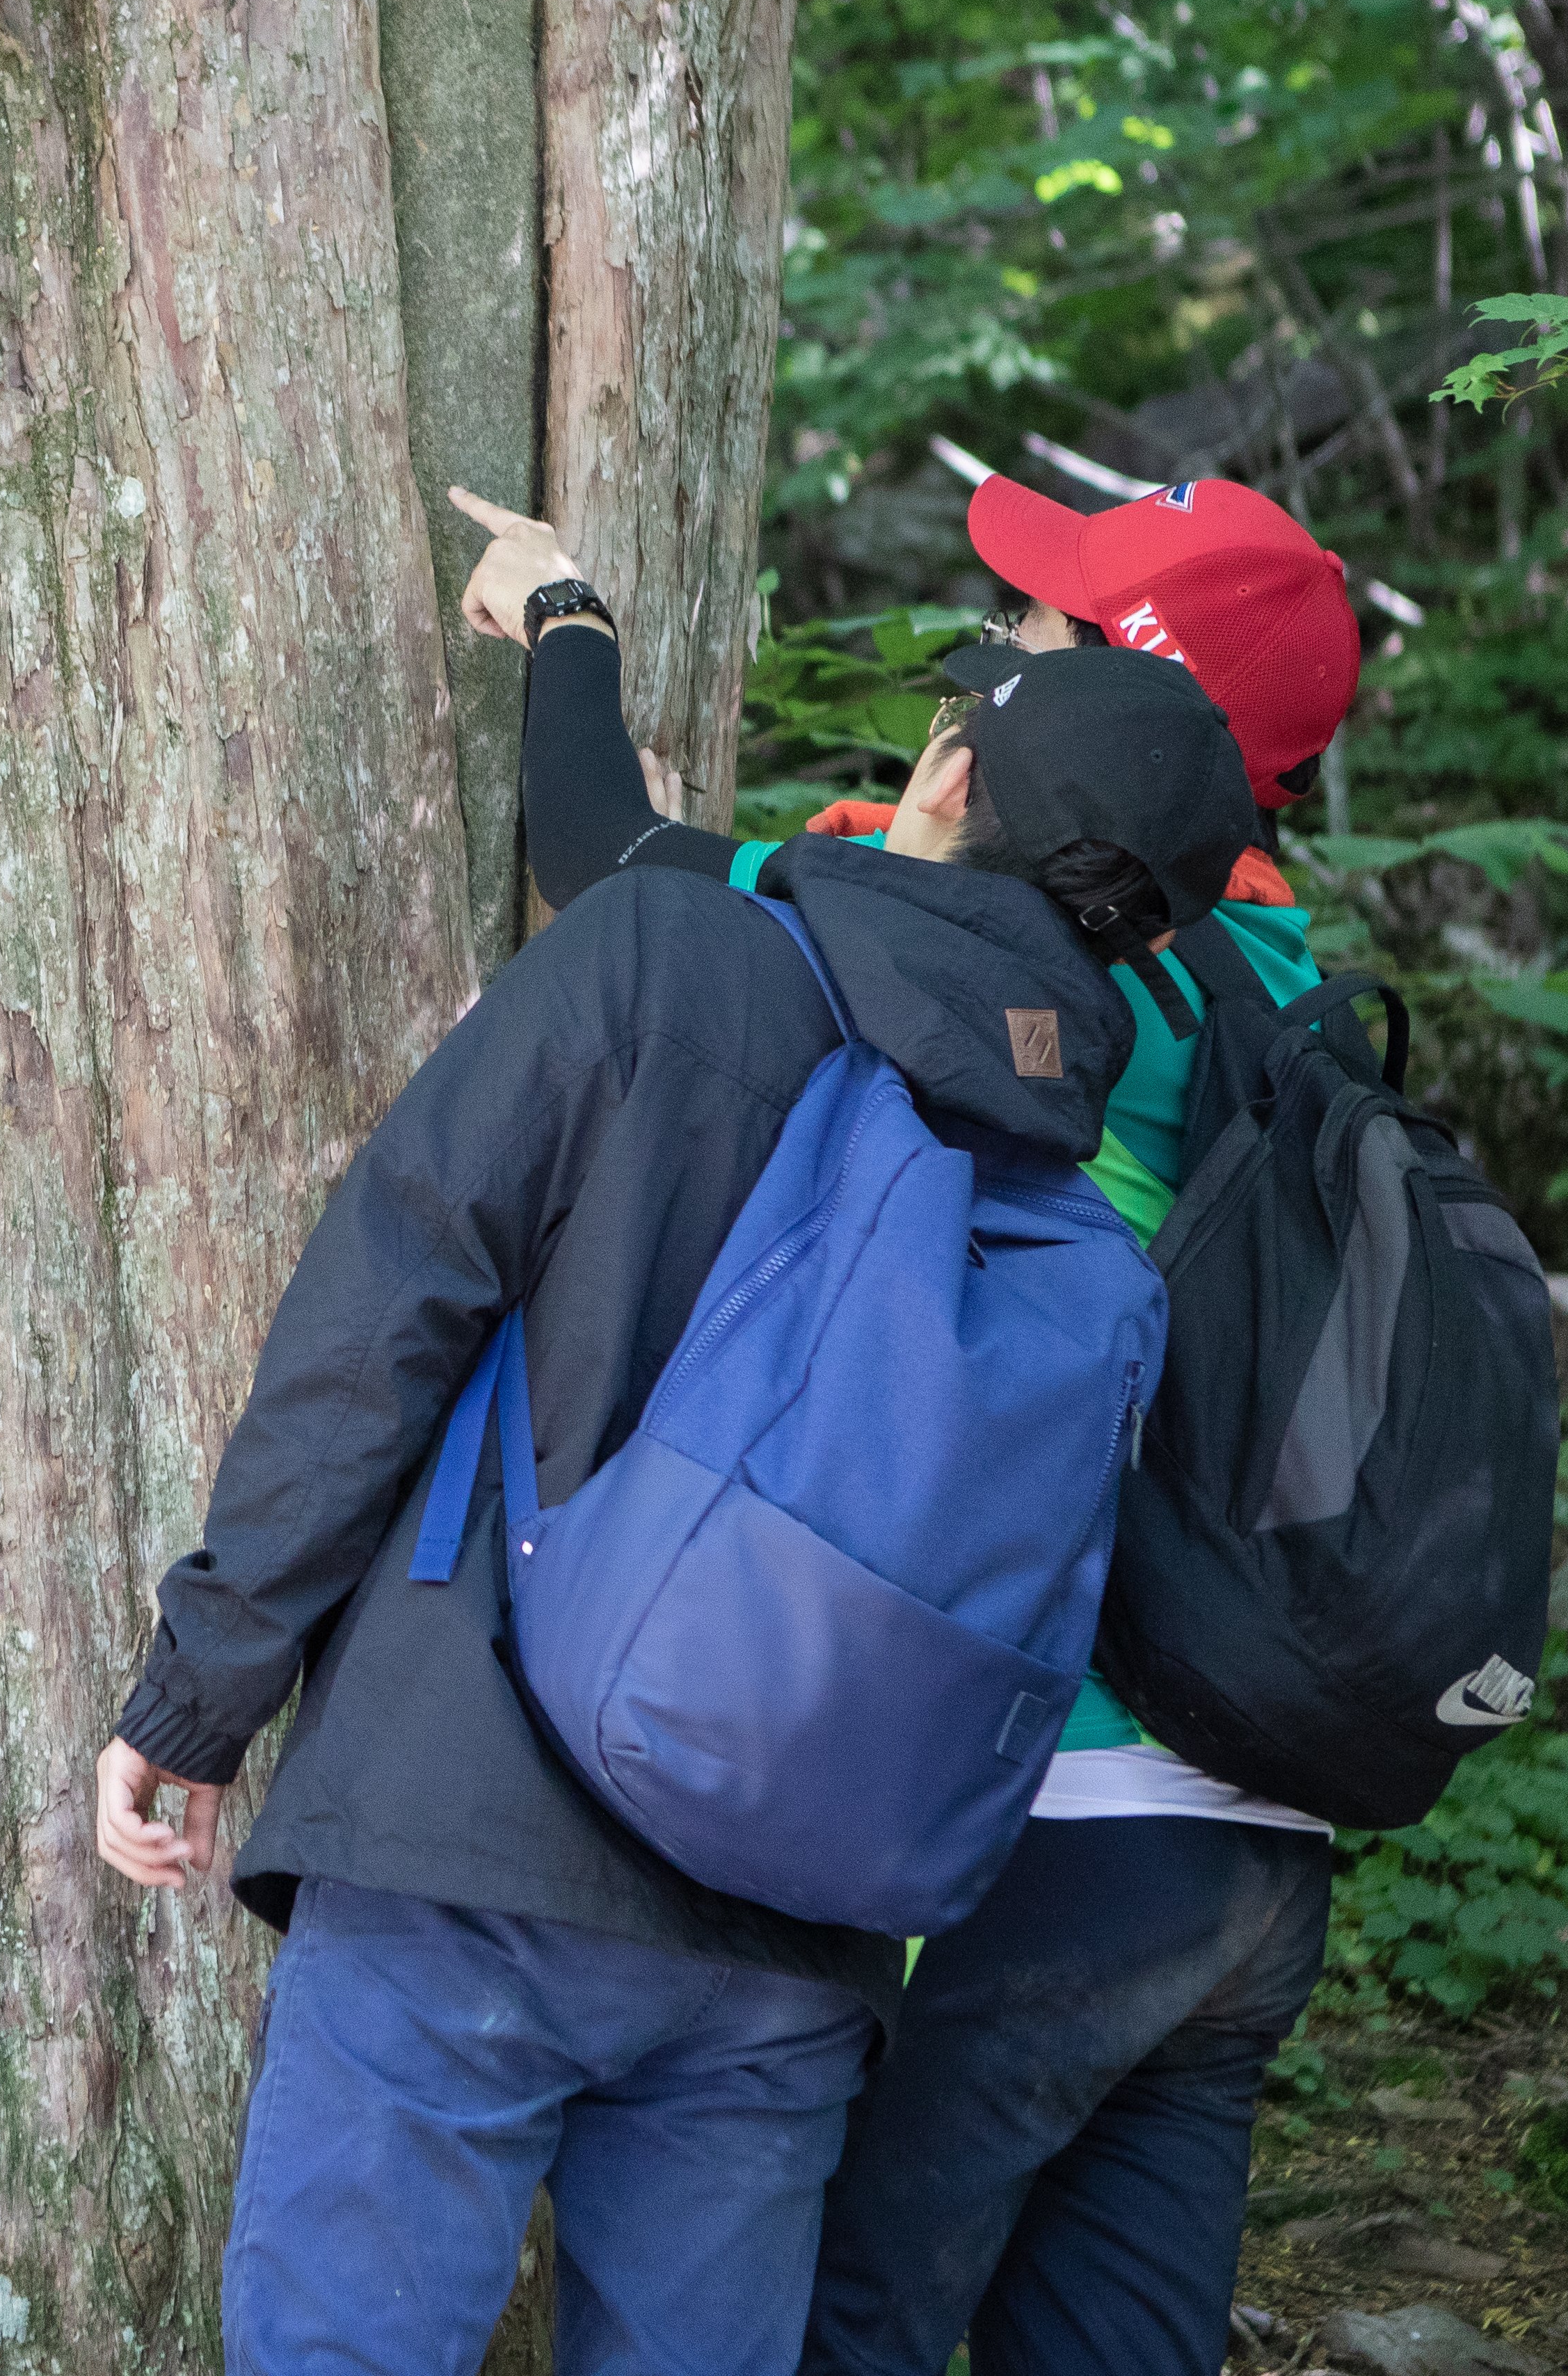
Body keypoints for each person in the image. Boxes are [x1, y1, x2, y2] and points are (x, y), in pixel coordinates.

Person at [91, 620, 1261, 2373]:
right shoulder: (1071, 1213)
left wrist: (200, 1690)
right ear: (1146, 936)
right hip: (801, 1936)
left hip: (469, 1829)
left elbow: (383, 1310)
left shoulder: (664, 957)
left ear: (945, 781)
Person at [453, 474, 1370, 2376]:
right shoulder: (1301, 987)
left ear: (1114, 692)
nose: (1001, 640)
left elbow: (609, 853)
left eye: (1040, 626)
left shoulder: (969, 903)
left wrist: (564, 616)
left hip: (1033, 1800)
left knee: (818, 2325)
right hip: (1256, 1837)